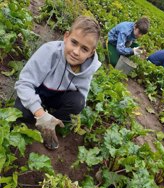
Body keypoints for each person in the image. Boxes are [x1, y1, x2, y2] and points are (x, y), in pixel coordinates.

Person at [14, 16, 101, 150]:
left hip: (57, 96)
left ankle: (51, 123)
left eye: (84, 49)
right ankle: (41, 119)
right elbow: (24, 84)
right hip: (38, 90)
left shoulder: (87, 69)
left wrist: (72, 115)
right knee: (21, 112)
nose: (76, 52)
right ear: (66, 37)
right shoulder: (49, 51)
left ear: (91, 53)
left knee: (78, 102)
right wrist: (40, 114)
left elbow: (81, 96)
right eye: (74, 42)